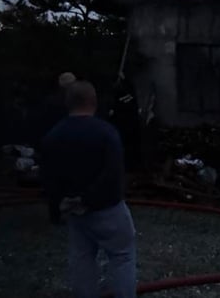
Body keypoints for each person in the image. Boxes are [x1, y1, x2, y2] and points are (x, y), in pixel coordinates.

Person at [40, 81, 137, 298]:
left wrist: (58, 207)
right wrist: (88, 199)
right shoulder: (106, 133)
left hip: (73, 212)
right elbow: (113, 174)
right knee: (122, 257)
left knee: (81, 260)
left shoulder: (54, 136)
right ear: (93, 102)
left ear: (67, 103)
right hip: (107, 209)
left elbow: (48, 177)